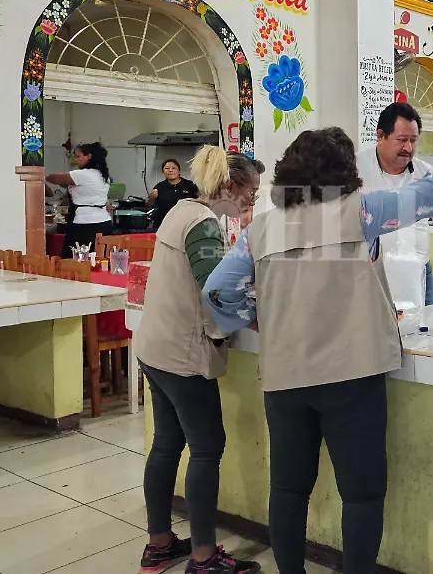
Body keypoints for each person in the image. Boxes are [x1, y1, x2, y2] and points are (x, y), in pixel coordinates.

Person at [203, 126, 433, 574]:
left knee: (288, 490)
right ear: (346, 172)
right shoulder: (360, 211)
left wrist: (256, 319)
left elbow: (217, 290)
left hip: (285, 378)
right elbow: (426, 195)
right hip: (352, 377)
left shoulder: (260, 230)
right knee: (361, 494)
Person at [133, 147, 264, 574]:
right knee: (207, 448)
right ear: (229, 186)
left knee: (166, 444)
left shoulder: (181, 210)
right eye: (251, 193)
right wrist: (260, 316)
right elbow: (217, 291)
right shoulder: (203, 223)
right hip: (182, 355)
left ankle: (159, 544)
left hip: (155, 348)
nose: (252, 201)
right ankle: (204, 558)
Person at [357, 102, 433, 305]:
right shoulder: (355, 169)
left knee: (424, 322)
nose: (408, 148)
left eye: (413, 140)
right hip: (371, 273)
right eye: (402, 140)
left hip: (417, 272)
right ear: (380, 136)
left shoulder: (426, 174)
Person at [46, 141, 115, 258]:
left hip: (85, 224)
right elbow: (84, 189)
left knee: (72, 259)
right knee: (98, 259)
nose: (75, 160)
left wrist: (41, 175)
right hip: (104, 222)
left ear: (88, 156)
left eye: (78, 156)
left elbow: (52, 178)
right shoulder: (102, 175)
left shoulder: (83, 174)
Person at [147, 159, 200, 229]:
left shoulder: (190, 185)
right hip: (163, 224)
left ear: (179, 171)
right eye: (167, 168)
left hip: (185, 223)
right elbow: (148, 205)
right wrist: (151, 198)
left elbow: (199, 202)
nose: (170, 170)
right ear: (163, 172)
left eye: (174, 168)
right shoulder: (159, 187)